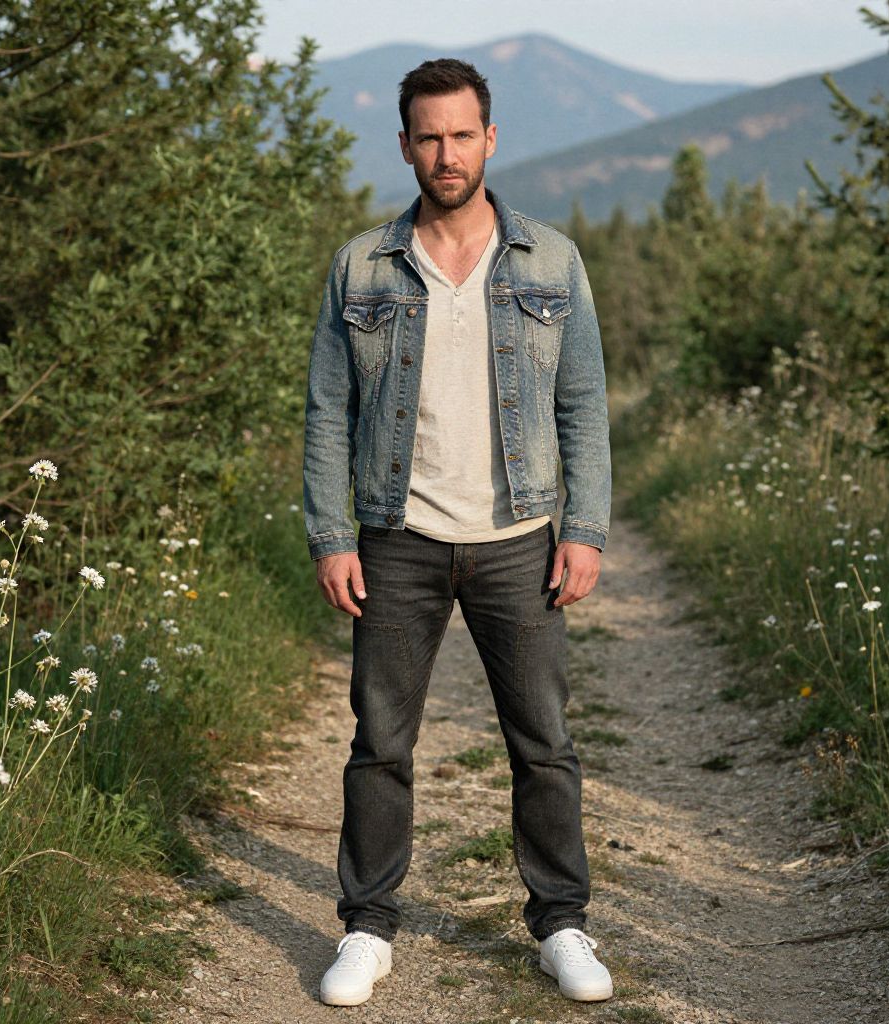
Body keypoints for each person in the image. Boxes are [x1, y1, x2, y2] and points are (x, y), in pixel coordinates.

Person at [302, 56, 613, 1007]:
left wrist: (585, 527)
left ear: (490, 139)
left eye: (462, 135)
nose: (447, 154)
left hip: (520, 536)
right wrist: (331, 534)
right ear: (405, 145)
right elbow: (326, 409)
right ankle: (367, 928)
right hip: (396, 538)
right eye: (429, 137)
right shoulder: (362, 264)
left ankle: (561, 924)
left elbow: (583, 402)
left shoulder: (551, 261)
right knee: (380, 743)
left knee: (544, 742)